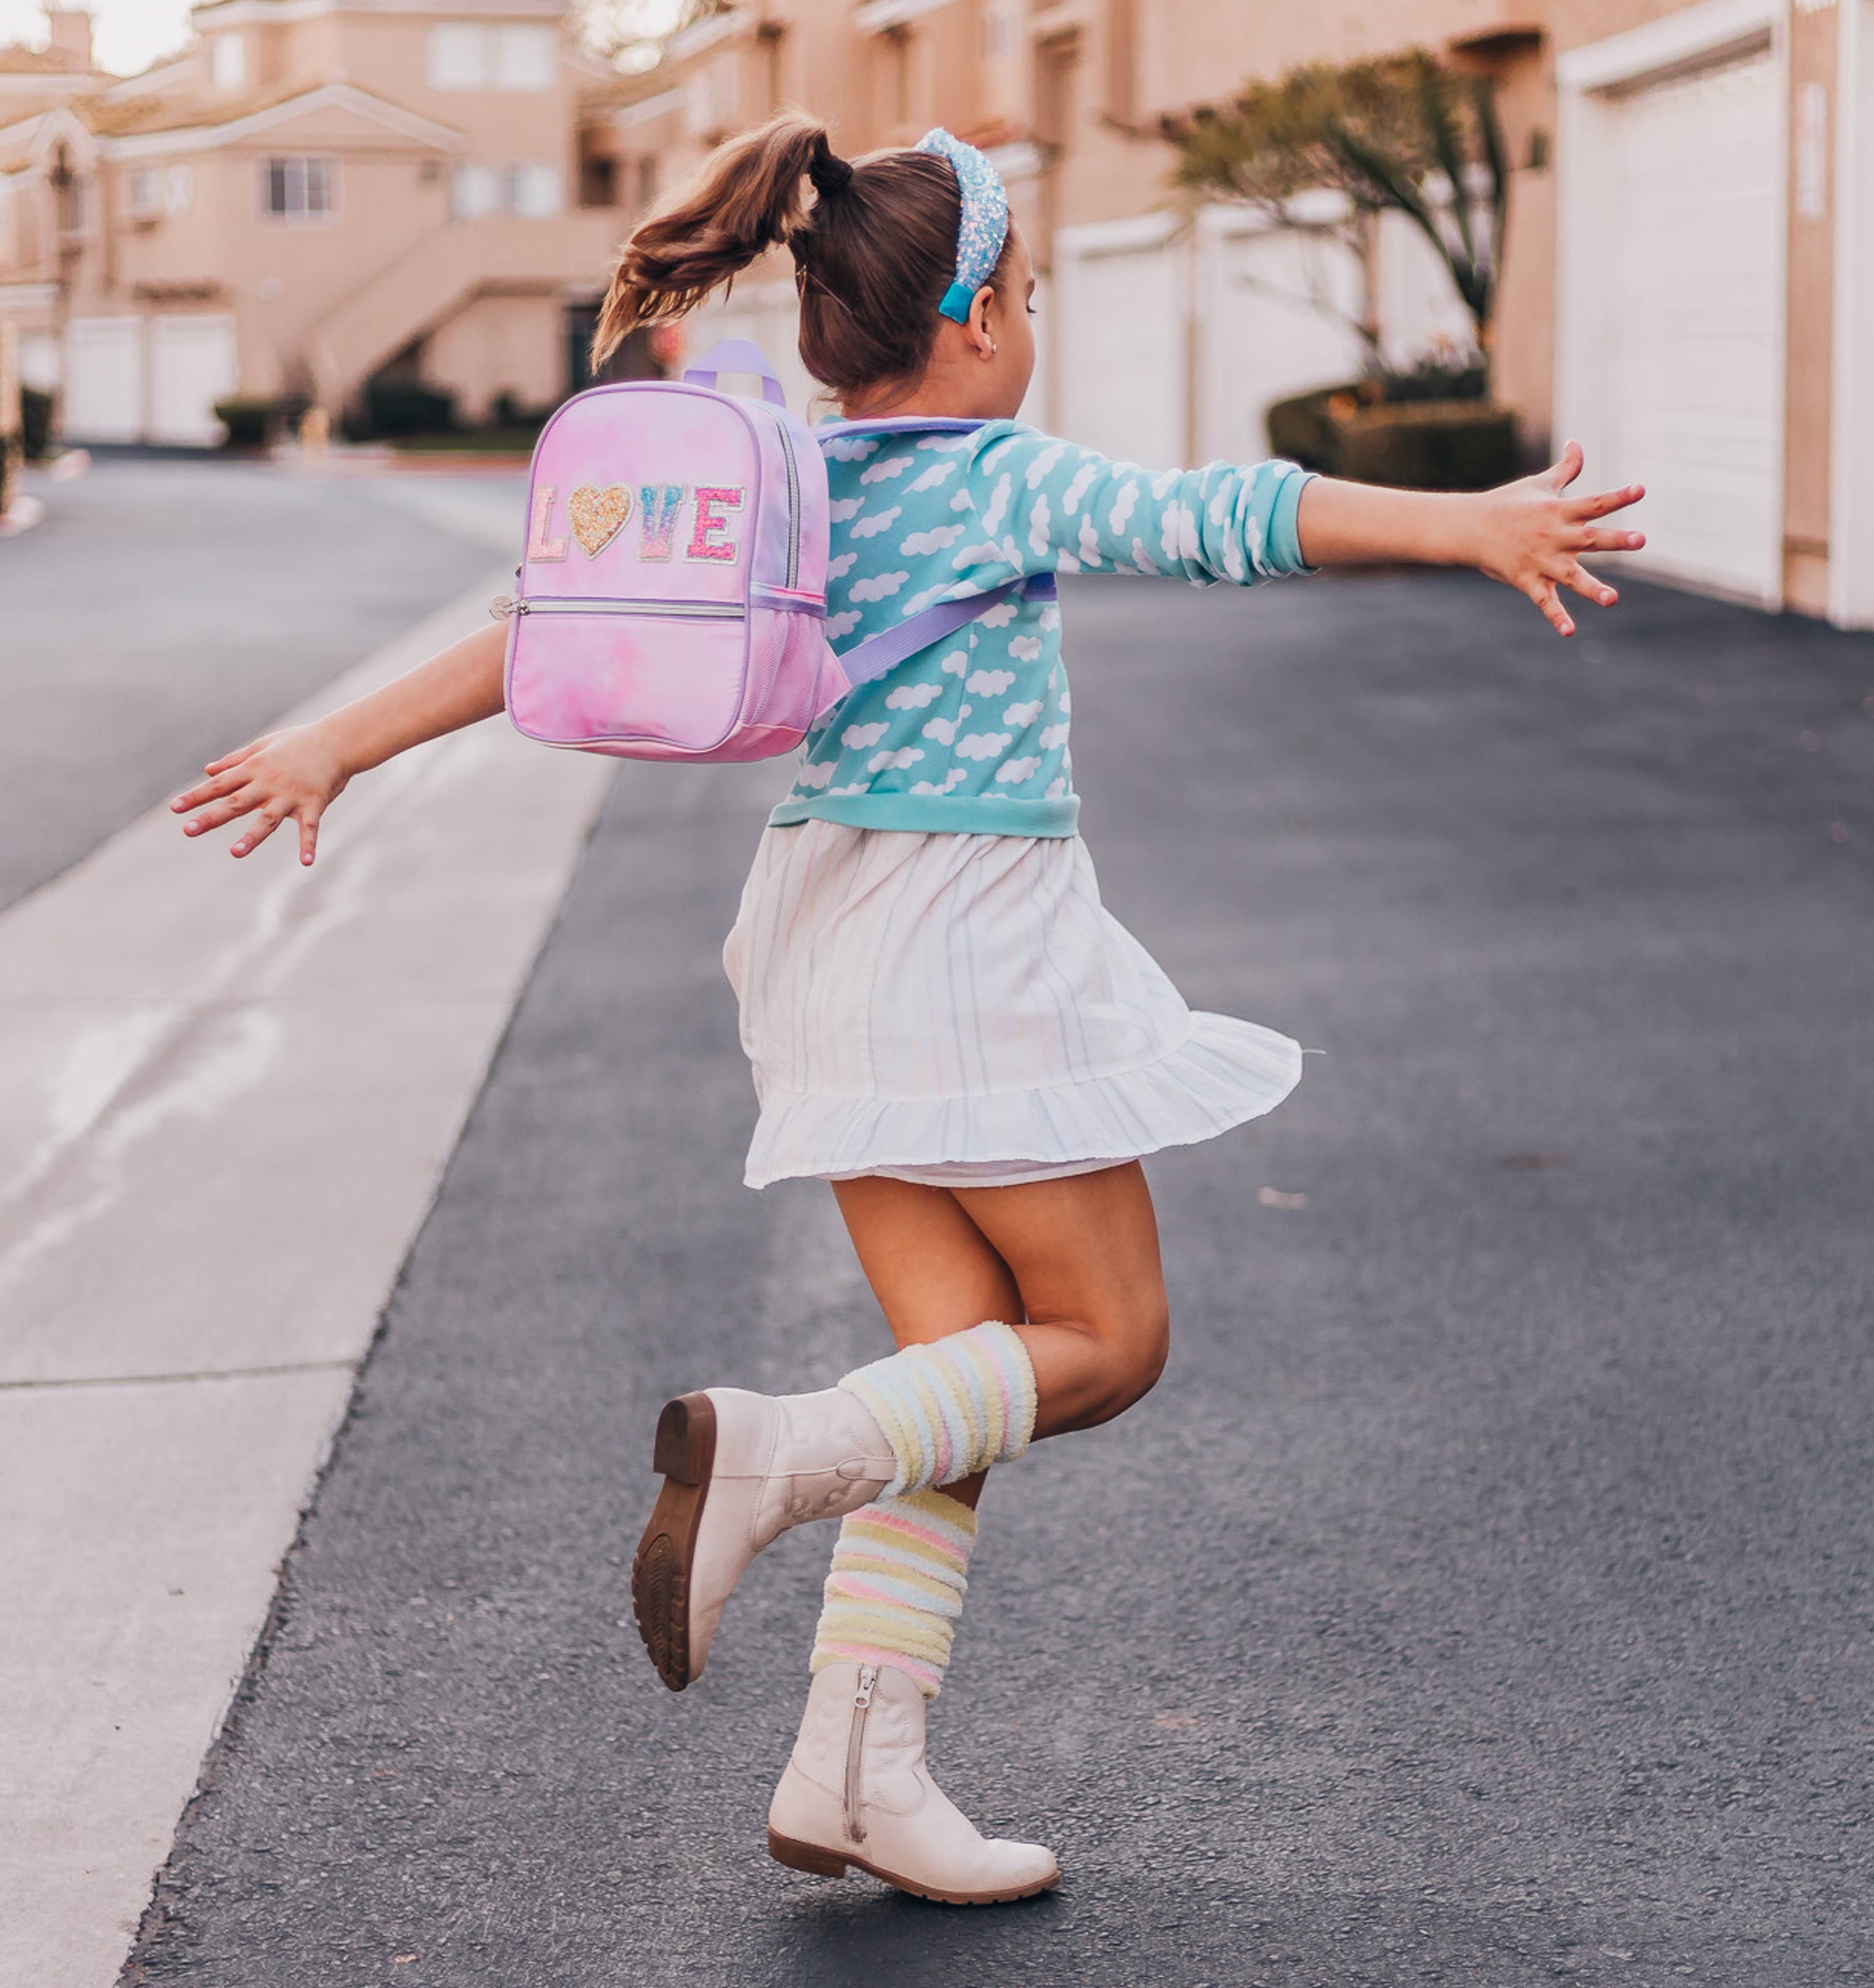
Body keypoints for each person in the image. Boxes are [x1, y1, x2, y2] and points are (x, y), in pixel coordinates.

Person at [172, 115, 1645, 1907]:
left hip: (825, 944)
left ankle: (857, 1767)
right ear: (968, 325)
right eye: (1025, 295)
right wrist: (1469, 523)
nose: (1032, 327)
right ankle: (777, 1455)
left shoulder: (782, 481)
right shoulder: (992, 474)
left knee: (958, 1397)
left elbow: (556, 616)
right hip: (968, 942)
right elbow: (1226, 519)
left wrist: (336, 738)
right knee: (1103, 1344)